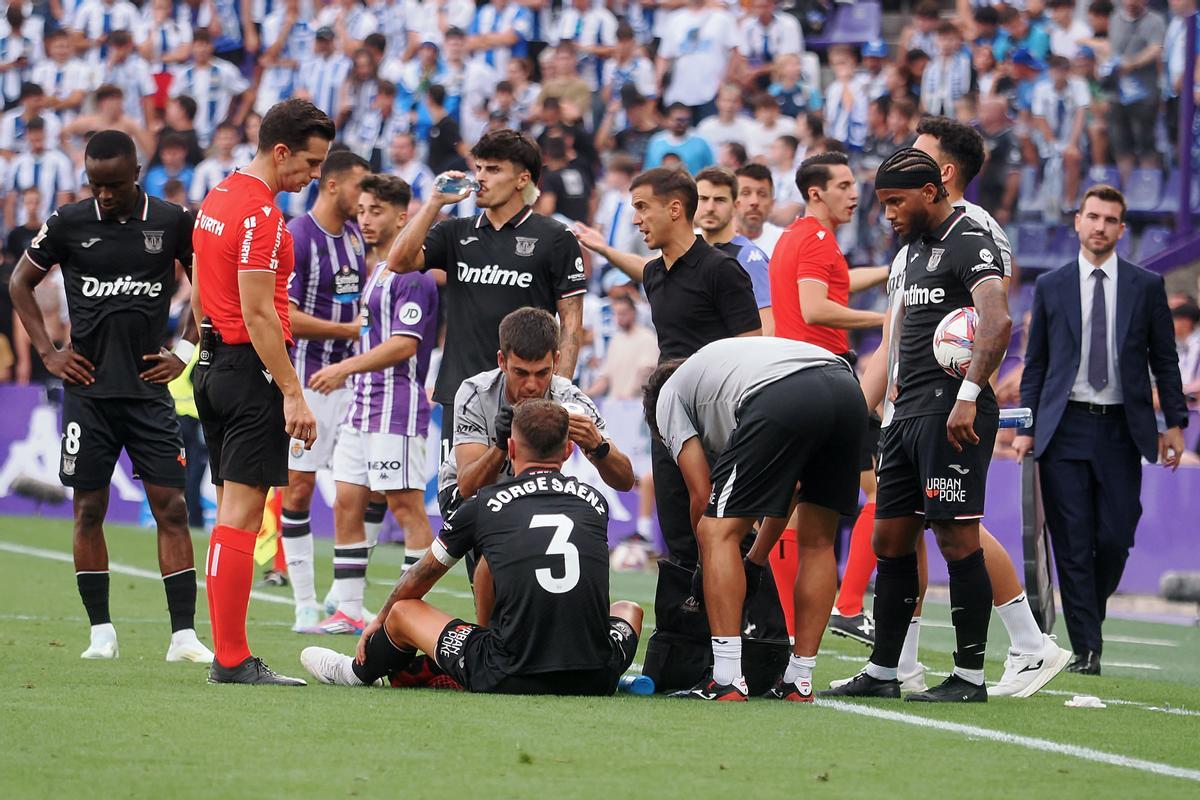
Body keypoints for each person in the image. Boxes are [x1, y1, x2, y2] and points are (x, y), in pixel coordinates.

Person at [9, 130, 211, 664]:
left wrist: (186, 350)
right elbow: (19, 284)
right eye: (95, 184)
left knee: (172, 506)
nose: (103, 195)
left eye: (114, 185)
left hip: (149, 394)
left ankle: (183, 636)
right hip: (87, 395)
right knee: (88, 510)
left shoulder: (170, 220)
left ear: (136, 174)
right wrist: (50, 353)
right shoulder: (69, 222)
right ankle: (101, 632)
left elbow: (209, 283)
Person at [822, 148, 1011, 703]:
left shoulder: (970, 242)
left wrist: (970, 395)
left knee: (955, 535)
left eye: (896, 202)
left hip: (953, 410)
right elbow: (897, 332)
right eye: (882, 203)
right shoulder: (908, 254)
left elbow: (996, 321)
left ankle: (971, 676)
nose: (887, 213)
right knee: (889, 537)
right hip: (906, 414)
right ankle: (884, 671)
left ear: (931, 191)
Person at [299, 399, 644, 695]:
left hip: (510, 673)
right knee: (629, 609)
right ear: (568, 451)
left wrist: (382, 619)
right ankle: (483, 643)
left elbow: (423, 574)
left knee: (404, 611)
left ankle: (358, 673)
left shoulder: (486, 504)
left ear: (510, 449)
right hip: (596, 676)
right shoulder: (597, 502)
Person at [1014, 185, 1189, 675]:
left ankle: (1086, 607)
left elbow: (1164, 359)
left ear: (1122, 229)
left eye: (1110, 219)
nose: (1100, 226)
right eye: (1093, 216)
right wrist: (1027, 425)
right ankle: (1087, 648)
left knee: (1115, 536)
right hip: (1063, 426)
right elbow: (1037, 363)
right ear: (1077, 221)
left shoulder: (1145, 286)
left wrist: (1174, 421)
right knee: (1071, 538)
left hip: (1121, 430)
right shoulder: (1050, 285)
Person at [191, 98, 336, 686]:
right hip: (249, 370)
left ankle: (227, 652)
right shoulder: (260, 216)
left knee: (231, 511)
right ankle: (230, 658)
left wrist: (200, 351)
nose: (314, 176)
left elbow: (201, 287)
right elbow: (258, 313)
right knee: (243, 515)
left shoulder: (218, 196)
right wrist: (292, 392)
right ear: (281, 152)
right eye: (309, 162)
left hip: (212, 364)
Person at [643, 337, 867, 700]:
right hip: (846, 388)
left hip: (783, 392)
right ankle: (800, 680)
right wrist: (755, 559)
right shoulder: (722, 375)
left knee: (716, 533)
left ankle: (728, 678)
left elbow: (701, 495)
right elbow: (791, 491)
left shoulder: (669, 397)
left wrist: (707, 568)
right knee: (819, 541)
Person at [573, 168, 761, 571]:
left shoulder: (721, 270)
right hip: (665, 417)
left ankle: (742, 622)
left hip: (716, 422)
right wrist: (603, 249)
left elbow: (752, 350)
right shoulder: (656, 274)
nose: (636, 218)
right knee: (675, 527)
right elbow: (643, 269)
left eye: (642, 207)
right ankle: (681, 624)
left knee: (722, 524)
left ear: (675, 209)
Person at [385, 129, 585, 470]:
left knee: (522, 505)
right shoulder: (455, 232)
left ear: (522, 178)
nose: (480, 178)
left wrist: (557, 395)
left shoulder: (555, 237)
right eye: (478, 168)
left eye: (492, 169)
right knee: (461, 509)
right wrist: (434, 203)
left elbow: (572, 324)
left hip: (527, 397)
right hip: (462, 395)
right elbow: (398, 261)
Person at [303, 175, 440, 635]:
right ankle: (347, 608)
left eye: (376, 211)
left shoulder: (414, 275)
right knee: (346, 501)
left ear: (404, 217)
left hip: (396, 405)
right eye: (361, 210)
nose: (365, 219)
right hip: (363, 405)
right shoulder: (376, 268)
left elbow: (405, 344)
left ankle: (406, 609)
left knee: (406, 508)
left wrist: (344, 368)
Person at [767, 151, 887, 643]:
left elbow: (830, 286)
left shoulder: (797, 237)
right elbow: (818, 309)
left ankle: (788, 630)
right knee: (886, 493)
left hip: (790, 381)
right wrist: (888, 320)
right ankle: (851, 604)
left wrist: (887, 273)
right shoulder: (818, 240)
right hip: (825, 379)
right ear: (816, 192)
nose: (854, 193)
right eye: (842, 185)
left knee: (791, 506)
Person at [277, 149, 370, 633]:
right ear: (332, 185)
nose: (365, 197)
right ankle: (305, 603)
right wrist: (350, 332)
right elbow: (284, 314)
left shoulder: (355, 236)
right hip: (308, 382)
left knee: (366, 488)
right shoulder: (298, 236)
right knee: (299, 487)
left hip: (353, 382)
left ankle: (343, 597)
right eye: (360, 187)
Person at [733, 164, 785, 257]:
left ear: (772, 204)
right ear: (732, 201)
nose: (755, 202)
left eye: (762, 194)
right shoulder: (707, 239)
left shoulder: (784, 242)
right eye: (746, 193)